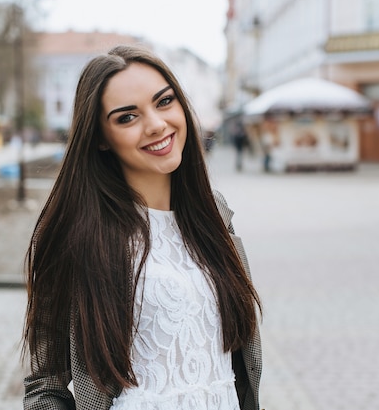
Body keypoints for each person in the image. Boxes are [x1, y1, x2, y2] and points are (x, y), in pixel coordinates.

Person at [23, 45, 262, 410]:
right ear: (101, 137)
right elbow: (45, 385)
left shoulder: (214, 215)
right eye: (127, 117)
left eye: (164, 102)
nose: (155, 124)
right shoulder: (79, 235)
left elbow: (238, 364)